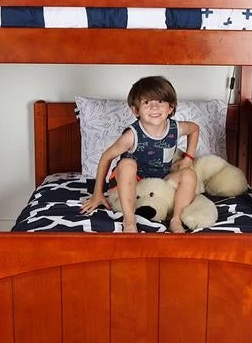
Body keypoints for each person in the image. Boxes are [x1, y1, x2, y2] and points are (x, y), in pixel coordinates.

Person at [80, 76, 199, 233]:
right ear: (136, 110)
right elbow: (106, 157)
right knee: (127, 164)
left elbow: (194, 129)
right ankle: (129, 221)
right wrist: (97, 193)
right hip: (131, 183)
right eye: (146, 102)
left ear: (170, 107)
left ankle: (176, 220)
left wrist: (188, 158)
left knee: (189, 174)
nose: (154, 107)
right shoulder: (132, 135)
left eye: (160, 101)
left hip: (158, 181)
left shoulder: (175, 128)